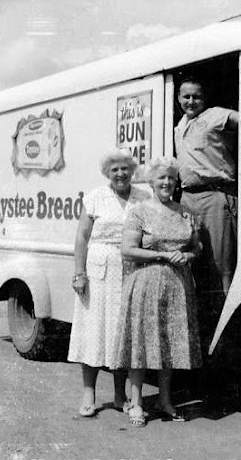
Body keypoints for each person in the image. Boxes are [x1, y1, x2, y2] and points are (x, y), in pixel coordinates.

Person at [112, 157, 202, 427]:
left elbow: (197, 248)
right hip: (145, 284)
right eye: (162, 177)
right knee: (141, 344)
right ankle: (137, 402)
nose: (167, 182)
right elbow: (127, 250)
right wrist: (163, 255)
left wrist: (188, 256)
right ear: (151, 182)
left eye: (171, 178)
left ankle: (165, 401)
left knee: (169, 345)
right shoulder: (139, 211)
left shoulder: (185, 211)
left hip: (177, 286)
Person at [68, 148, 150, 418]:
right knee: (93, 331)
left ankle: (118, 395)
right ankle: (89, 393)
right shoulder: (95, 197)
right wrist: (79, 274)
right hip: (99, 271)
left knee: (121, 334)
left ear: (132, 171)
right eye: (115, 169)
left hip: (131, 270)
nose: (120, 174)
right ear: (107, 173)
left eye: (125, 168)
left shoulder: (143, 197)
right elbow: (82, 237)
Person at [174, 77, 239, 345]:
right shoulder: (180, 125)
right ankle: (204, 334)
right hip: (188, 198)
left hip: (215, 194)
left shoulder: (215, 115)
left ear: (205, 99)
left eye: (196, 97)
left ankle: (226, 338)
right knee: (195, 264)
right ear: (178, 99)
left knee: (220, 266)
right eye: (186, 97)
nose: (191, 102)